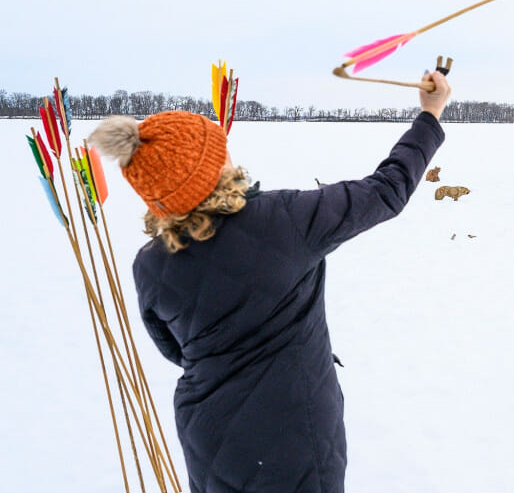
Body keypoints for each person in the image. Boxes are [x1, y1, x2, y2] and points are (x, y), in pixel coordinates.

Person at [88, 71, 451, 493]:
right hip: (292, 440)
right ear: (209, 171)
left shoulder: (149, 264)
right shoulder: (285, 220)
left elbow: (175, 350)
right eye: (217, 151)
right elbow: (388, 189)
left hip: (208, 439)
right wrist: (431, 115)